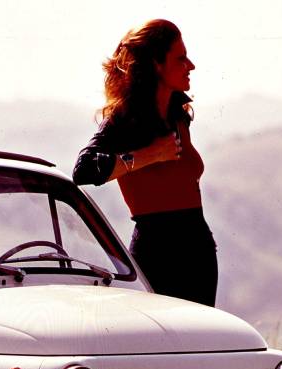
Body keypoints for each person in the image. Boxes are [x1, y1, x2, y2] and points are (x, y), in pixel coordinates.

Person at [72, 19, 216, 306]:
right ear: (156, 64)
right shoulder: (123, 121)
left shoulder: (178, 117)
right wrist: (149, 155)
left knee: (201, 346)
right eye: (180, 58)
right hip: (158, 256)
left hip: (199, 252)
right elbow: (83, 170)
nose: (191, 65)